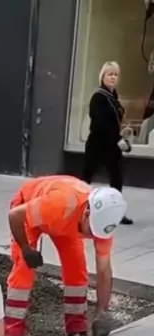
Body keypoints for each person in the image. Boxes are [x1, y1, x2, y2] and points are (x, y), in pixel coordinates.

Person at [4, 176, 127, 336]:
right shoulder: (60, 203)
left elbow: (103, 270)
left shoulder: (103, 227)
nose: (93, 236)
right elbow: (15, 215)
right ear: (87, 212)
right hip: (32, 211)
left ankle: (77, 329)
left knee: (76, 269)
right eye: (91, 230)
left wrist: (102, 311)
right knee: (24, 268)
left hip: (64, 223)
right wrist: (26, 249)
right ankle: (12, 334)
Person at [83, 61, 133, 225]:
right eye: (110, 74)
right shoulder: (98, 97)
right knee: (86, 179)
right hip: (98, 145)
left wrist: (122, 134)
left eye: (116, 75)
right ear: (103, 76)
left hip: (111, 146)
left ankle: (115, 212)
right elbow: (100, 124)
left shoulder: (113, 97)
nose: (113, 77)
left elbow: (113, 122)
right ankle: (77, 207)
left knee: (117, 180)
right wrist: (118, 139)